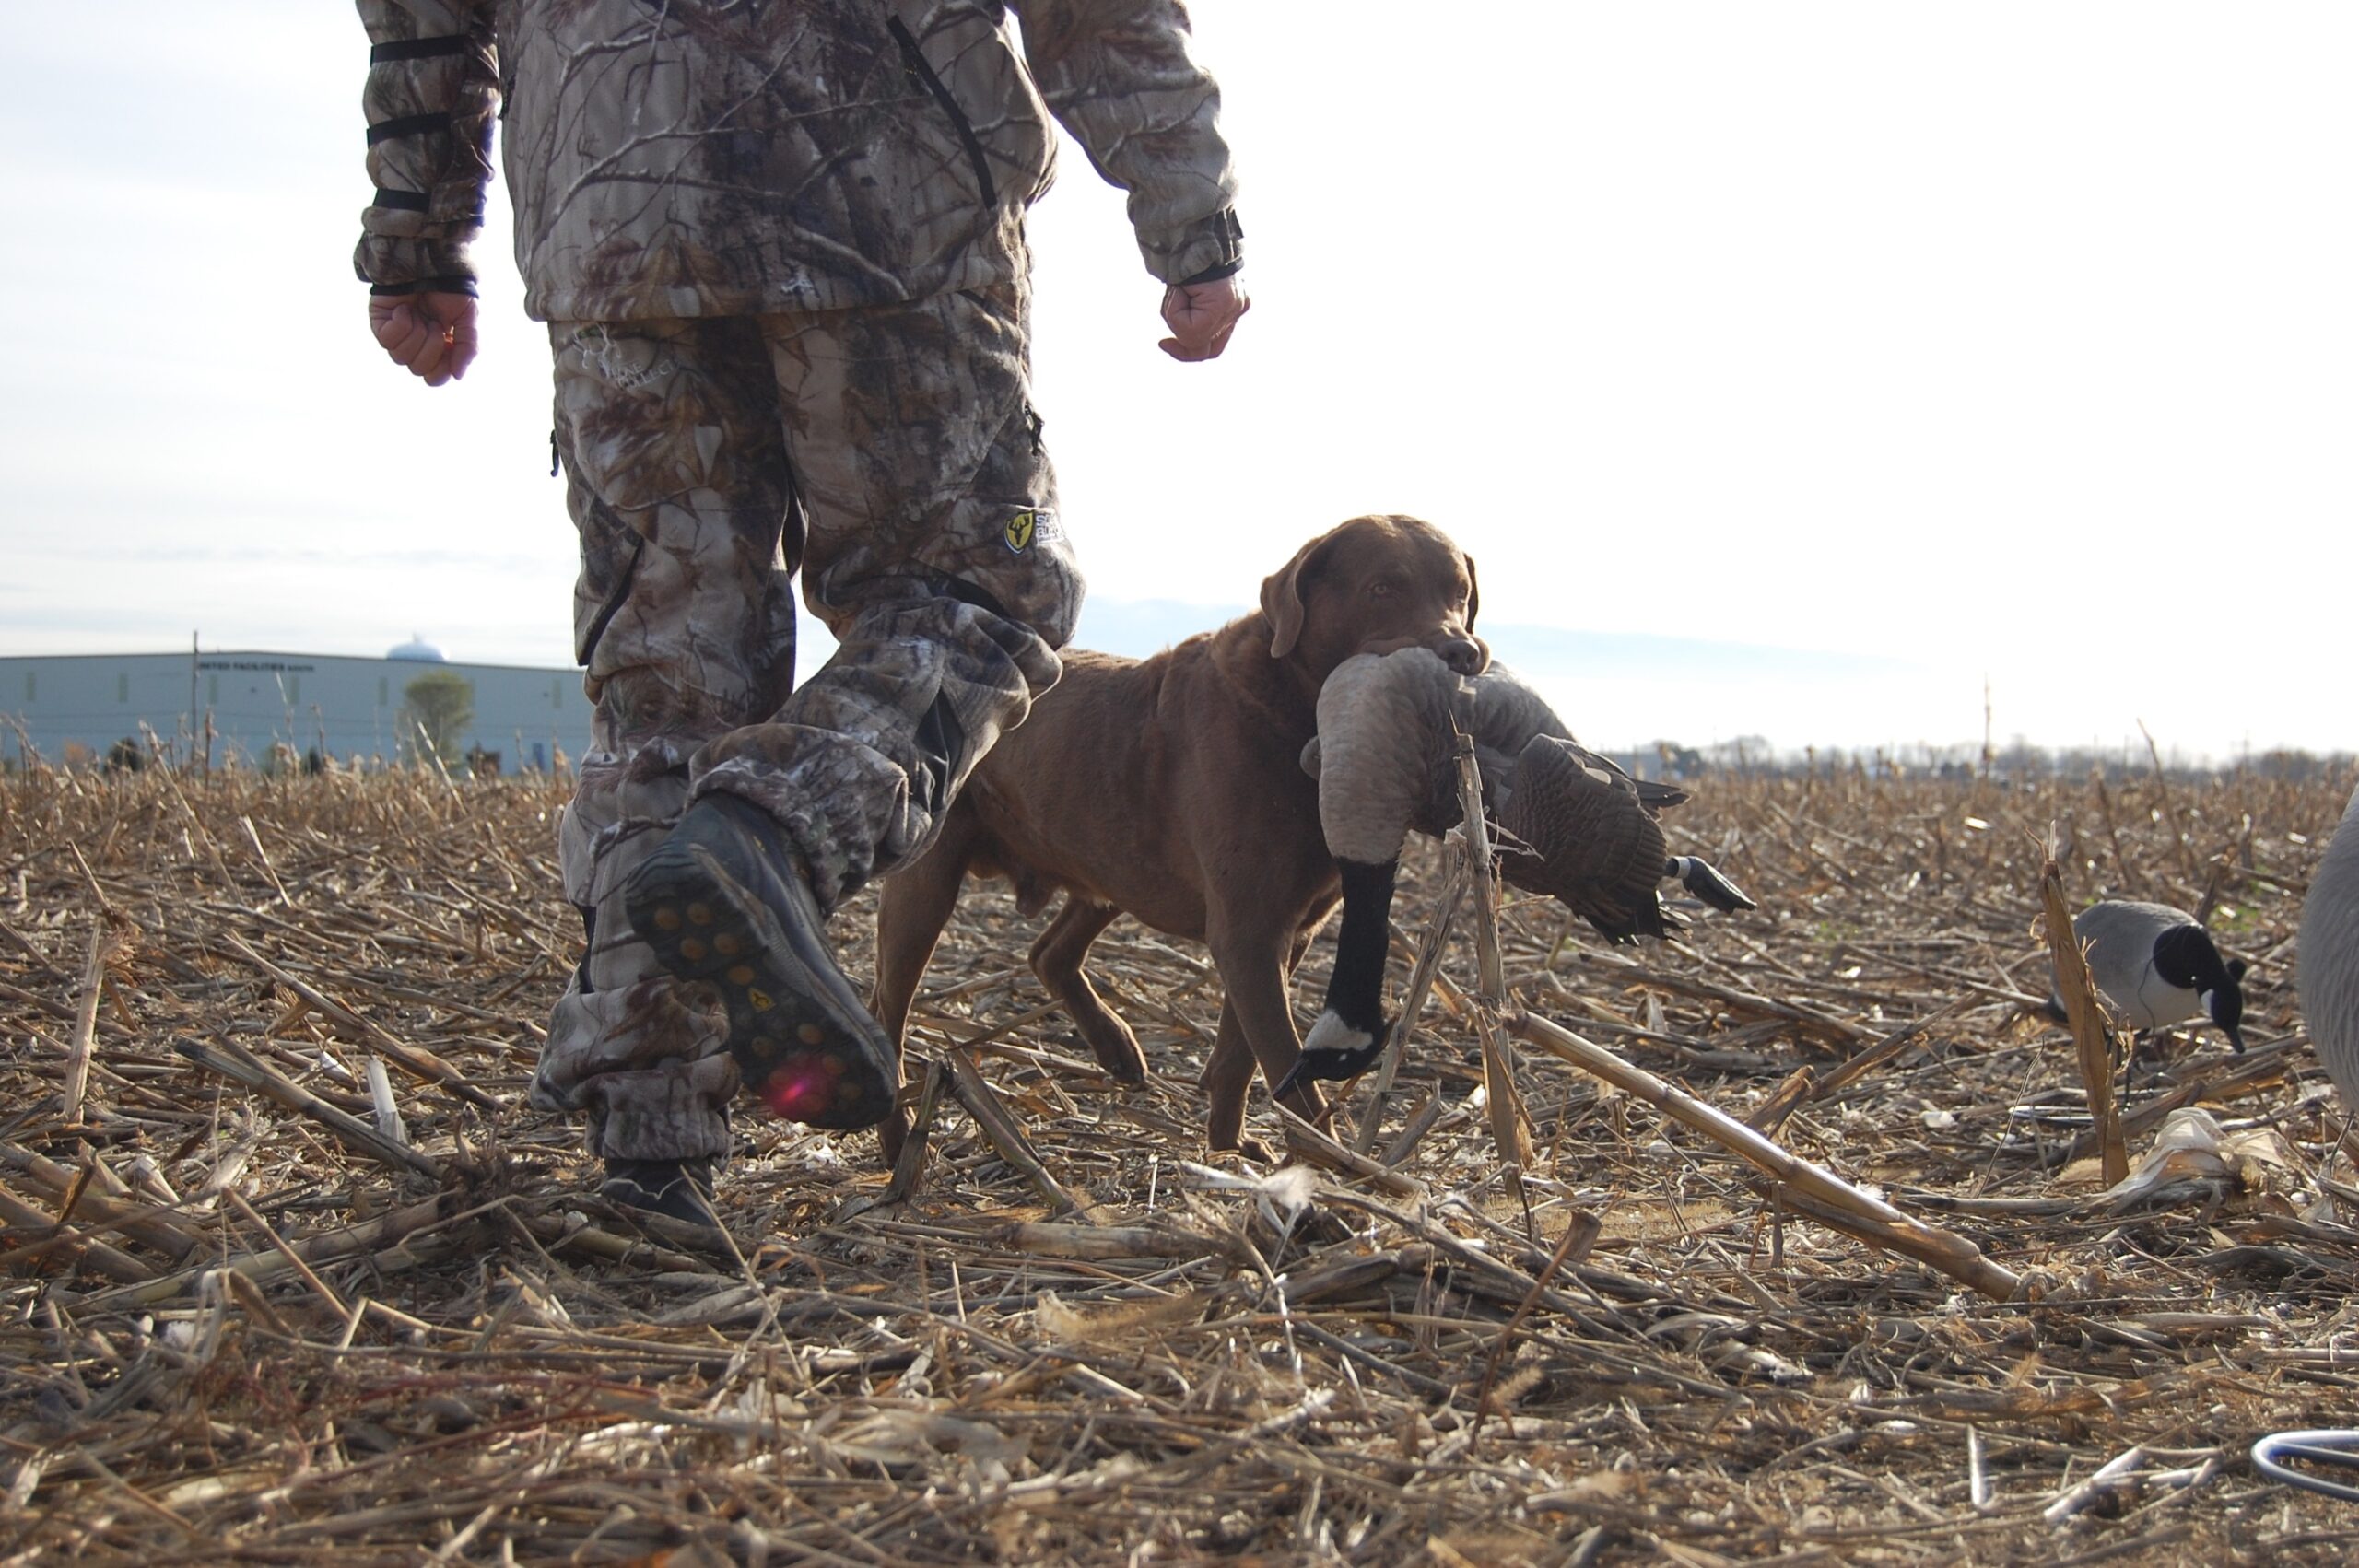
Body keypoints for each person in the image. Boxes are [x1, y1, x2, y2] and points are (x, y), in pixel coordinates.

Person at [354, 2, 1248, 1224]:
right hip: (880, 184)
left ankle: (653, 1153)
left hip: (612, 212)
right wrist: (1189, 216)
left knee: (668, 680)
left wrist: (416, 234)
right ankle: (770, 830)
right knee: (995, 580)